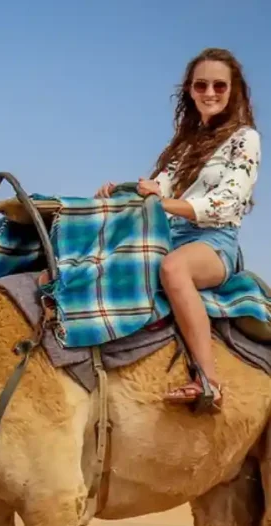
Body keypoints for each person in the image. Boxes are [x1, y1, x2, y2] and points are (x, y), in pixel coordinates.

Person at [96, 47, 260, 411]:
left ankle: (209, 382)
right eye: (201, 85)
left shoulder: (245, 139)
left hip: (214, 241)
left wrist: (163, 204)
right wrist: (120, 192)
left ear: (233, 90)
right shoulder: (184, 146)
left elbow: (226, 202)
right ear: (190, 90)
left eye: (219, 85)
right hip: (169, 235)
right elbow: (159, 188)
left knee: (173, 269)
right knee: (105, 260)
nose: (210, 93)